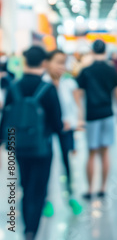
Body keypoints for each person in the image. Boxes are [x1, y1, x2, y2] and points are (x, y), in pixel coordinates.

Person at [0, 46, 64, 240]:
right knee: (39, 189)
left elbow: (6, 118)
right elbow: (57, 123)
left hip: (18, 146)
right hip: (42, 147)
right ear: (44, 63)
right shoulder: (48, 89)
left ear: (24, 62)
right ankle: (32, 231)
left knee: (25, 186)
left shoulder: (13, 86)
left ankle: (26, 226)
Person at [75, 40, 117, 200]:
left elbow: (78, 94)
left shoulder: (86, 71)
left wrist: (79, 115)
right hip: (107, 113)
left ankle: (89, 189)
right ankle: (103, 188)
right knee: (105, 152)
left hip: (92, 115)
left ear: (92, 51)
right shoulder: (111, 70)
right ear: (105, 50)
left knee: (91, 153)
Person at [42, 50, 83, 217]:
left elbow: (76, 107)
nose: (61, 67)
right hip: (48, 132)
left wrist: (74, 123)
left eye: (63, 63)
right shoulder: (43, 84)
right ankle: (48, 199)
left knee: (68, 165)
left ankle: (71, 197)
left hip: (66, 131)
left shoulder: (69, 83)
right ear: (47, 63)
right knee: (49, 167)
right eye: (58, 62)